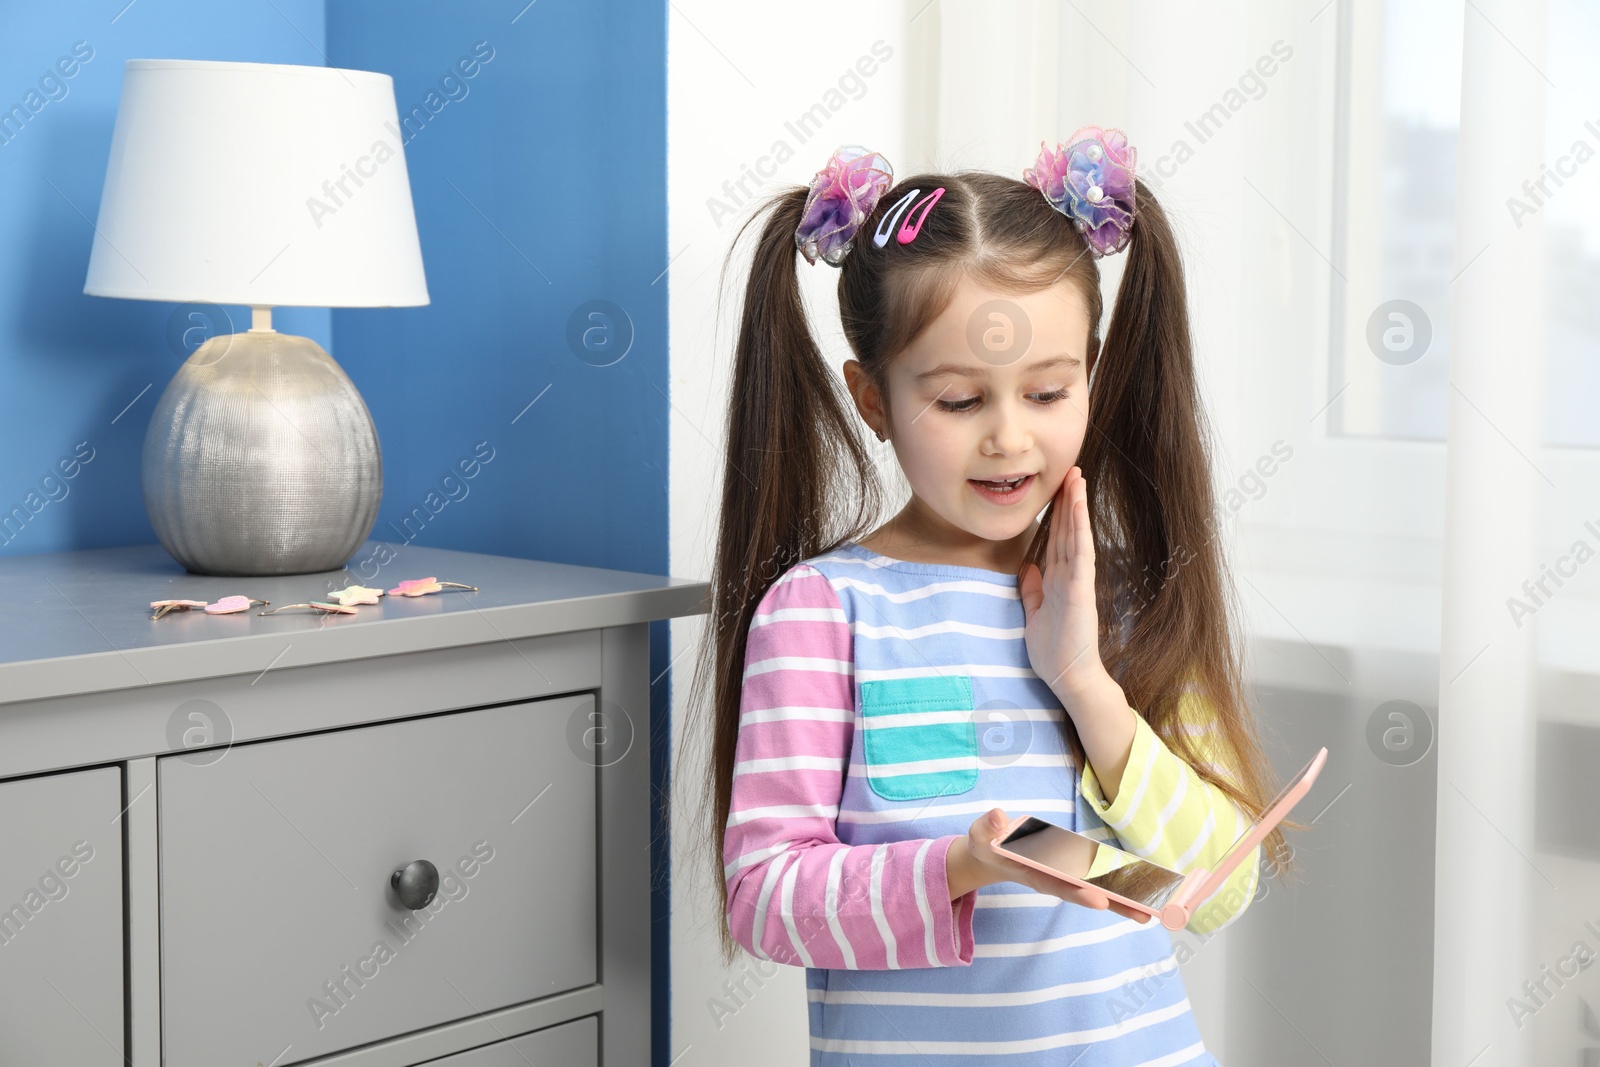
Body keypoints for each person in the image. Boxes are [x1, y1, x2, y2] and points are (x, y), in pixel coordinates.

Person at [682, 128, 1304, 1065]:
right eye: (962, 402)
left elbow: (1220, 886)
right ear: (874, 399)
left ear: (1089, 375)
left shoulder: (1129, 596)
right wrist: (961, 864)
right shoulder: (823, 614)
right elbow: (766, 898)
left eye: (1049, 392)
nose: (1010, 439)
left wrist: (1086, 682)